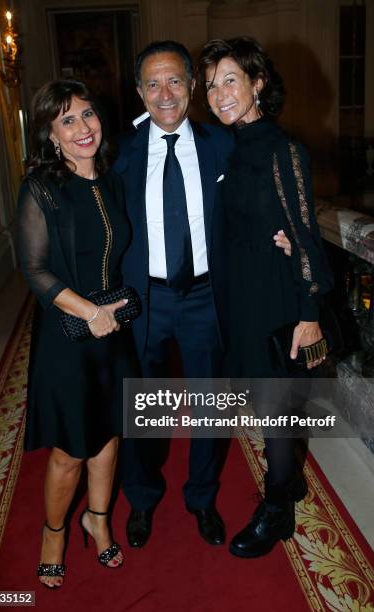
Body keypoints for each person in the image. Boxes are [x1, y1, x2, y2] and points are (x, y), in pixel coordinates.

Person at [113, 40, 292, 549]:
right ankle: (143, 498)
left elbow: (265, 183)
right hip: (142, 298)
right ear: (139, 92)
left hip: (205, 297)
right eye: (152, 83)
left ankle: (201, 497)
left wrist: (283, 235)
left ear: (193, 86)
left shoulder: (222, 144)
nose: (164, 93)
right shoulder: (119, 153)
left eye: (175, 81)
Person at [197, 37, 333, 557]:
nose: (218, 93)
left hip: (278, 298)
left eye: (230, 79)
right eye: (210, 84)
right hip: (243, 298)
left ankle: (277, 509)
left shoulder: (284, 149)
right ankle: (290, 481)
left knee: (277, 407)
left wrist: (309, 313)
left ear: (258, 83)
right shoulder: (230, 146)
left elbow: (305, 235)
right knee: (264, 402)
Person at [17, 79, 138, 587]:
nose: (82, 128)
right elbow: (35, 269)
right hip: (69, 335)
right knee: (69, 450)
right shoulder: (42, 189)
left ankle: (99, 519)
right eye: (67, 120)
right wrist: (90, 312)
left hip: (114, 331)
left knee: (109, 437)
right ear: (51, 135)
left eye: (87, 115)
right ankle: (52, 533)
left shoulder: (112, 180)